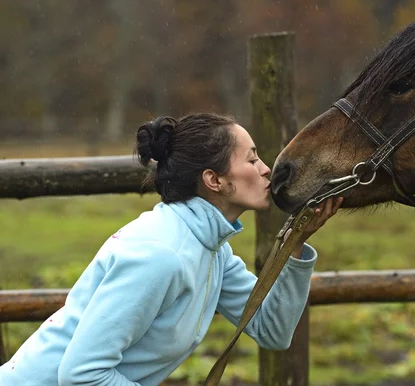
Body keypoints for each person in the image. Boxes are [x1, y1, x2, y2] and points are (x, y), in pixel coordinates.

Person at [0, 112, 343, 386]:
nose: (266, 168)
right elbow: (80, 375)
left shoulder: (210, 249)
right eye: (251, 160)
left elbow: (273, 330)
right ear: (214, 180)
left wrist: (296, 243)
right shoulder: (160, 254)